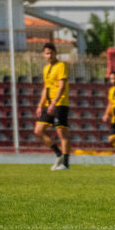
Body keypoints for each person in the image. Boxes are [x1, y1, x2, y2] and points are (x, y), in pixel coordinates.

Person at [34, 42, 71, 170]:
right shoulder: (46, 68)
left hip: (60, 104)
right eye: (47, 53)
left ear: (55, 53)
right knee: (38, 131)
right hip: (48, 104)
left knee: (62, 134)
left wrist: (54, 103)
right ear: (44, 55)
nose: (49, 56)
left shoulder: (61, 66)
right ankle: (58, 154)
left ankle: (65, 164)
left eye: (51, 53)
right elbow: (46, 88)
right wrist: (40, 105)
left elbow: (62, 86)